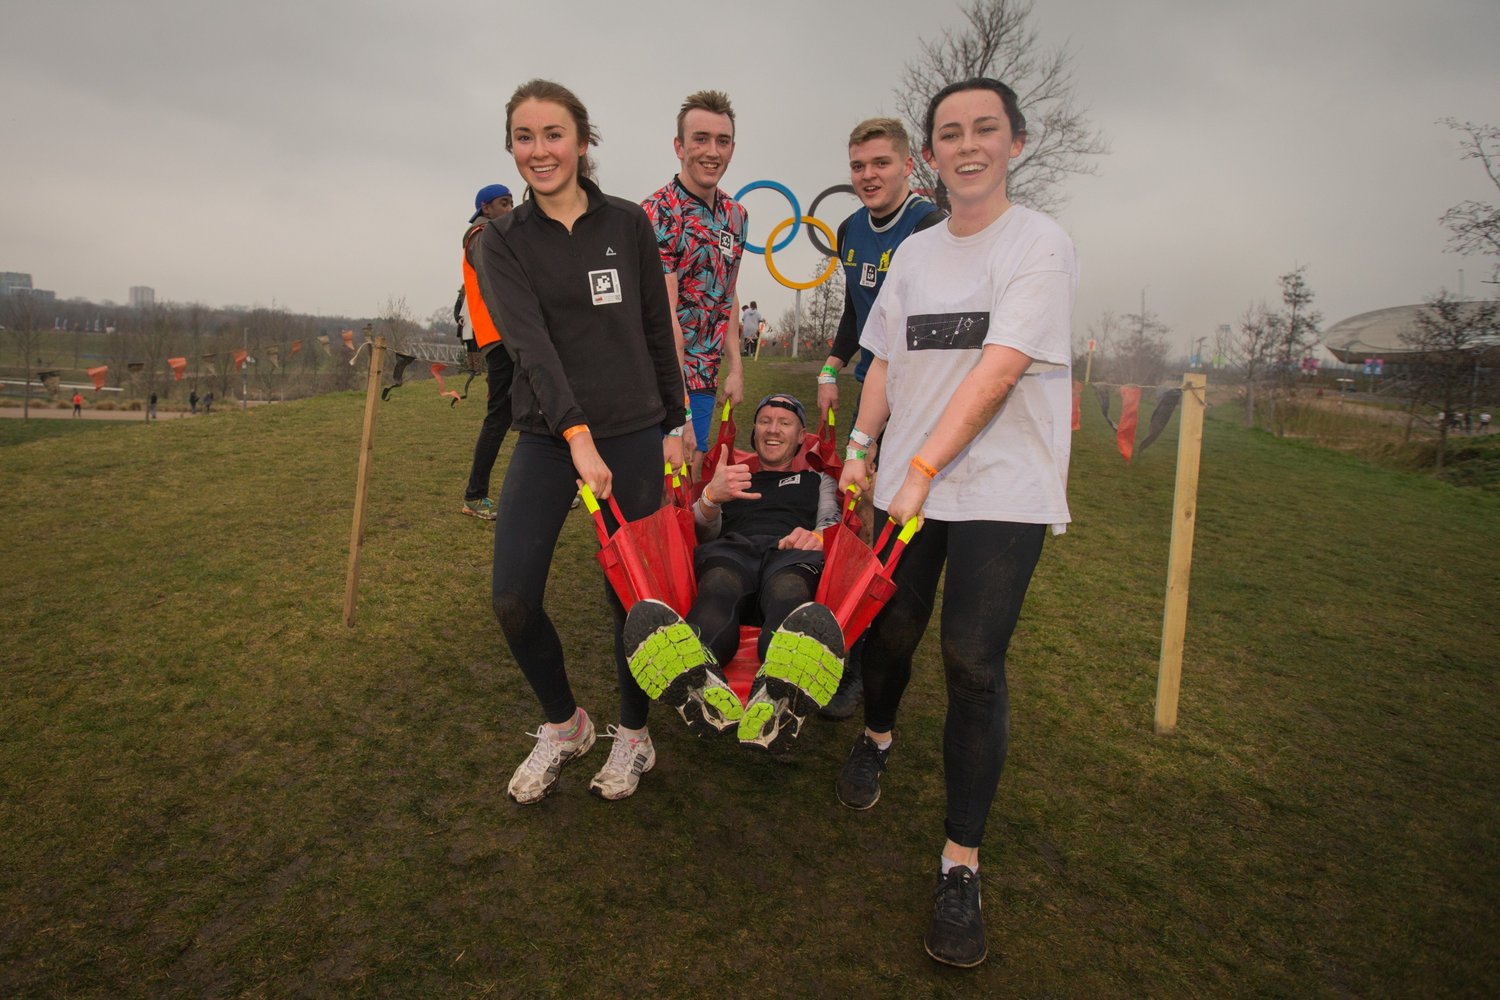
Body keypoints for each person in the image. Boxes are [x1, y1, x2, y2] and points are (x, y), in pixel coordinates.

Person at [836, 78, 1079, 968]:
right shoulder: (915, 255)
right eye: (950, 132)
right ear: (930, 155)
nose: (967, 144)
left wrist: (928, 465)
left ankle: (960, 861)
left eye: (986, 128)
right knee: (891, 636)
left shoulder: (1040, 245)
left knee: (973, 661)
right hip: (906, 487)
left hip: (1000, 490)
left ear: (1016, 142)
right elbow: (884, 362)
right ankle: (877, 735)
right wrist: (864, 443)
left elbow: (1000, 369)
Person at [477, 79, 686, 804]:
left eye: (554, 134)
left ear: (583, 141)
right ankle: (565, 724)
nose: (540, 150)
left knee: (631, 598)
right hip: (547, 436)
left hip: (631, 430)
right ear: (512, 146)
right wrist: (575, 438)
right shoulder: (498, 241)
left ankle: (634, 734)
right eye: (525, 137)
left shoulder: (628, 224)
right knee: (512, 598)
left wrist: (677, 423)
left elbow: (657, 331)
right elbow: (530, 346)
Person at [622, 393, 844, 753]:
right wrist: (712, 496)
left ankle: (778, 691)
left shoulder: (816, 480)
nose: (772, 429)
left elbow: (832, 524)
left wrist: (817, 537)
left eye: (784, 423)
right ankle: (695, 677)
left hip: (789, 552)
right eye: (765, 421)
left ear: (802, 437)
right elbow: (696, 531)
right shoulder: (732, 475)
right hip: (733, 551)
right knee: (718, 586)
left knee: (789, 590)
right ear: (753, 431)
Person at [816, 117, 946, 720]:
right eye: (858, 166)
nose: (868, 175)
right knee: (857, 530)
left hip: (919, 408)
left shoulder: (930, 227)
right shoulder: (847, 229)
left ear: (909, 167)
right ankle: (851, 655)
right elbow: (856, 311)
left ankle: (875, 665)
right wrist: (832, 363)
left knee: (899, 541)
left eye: (880, 164)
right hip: (873, 397)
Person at [642, 90, 747, 479]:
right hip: (658, 379)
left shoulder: (737, 216)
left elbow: (727, 292)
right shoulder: (657, 213)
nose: (711, 151)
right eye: (700, 139)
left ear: (732, 149)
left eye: (722, 141)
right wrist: (679, 411)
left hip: (705, 373)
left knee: (693, 473)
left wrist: (735, 367)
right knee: (658, 479)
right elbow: (665, 317)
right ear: (679, 146)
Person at [456, 183, 518, 520]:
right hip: (500, 338)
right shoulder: (480, 237)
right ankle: (474, 496)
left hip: (510, 336)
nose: (509, 208)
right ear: (486, 208)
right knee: (499, 418)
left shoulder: (496, 236)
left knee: (531, 410)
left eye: (511, 202)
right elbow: (494, 284)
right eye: (503, 203)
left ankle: (549, 486)